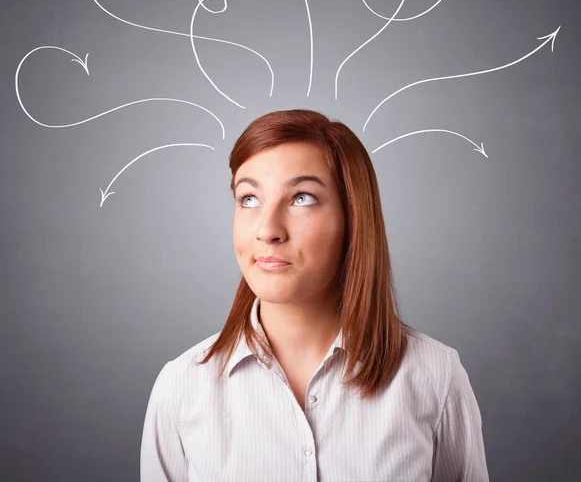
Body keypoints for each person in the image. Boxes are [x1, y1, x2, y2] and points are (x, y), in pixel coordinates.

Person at [140, 108, 489, 481]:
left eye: (302, 198)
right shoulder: (181, 388)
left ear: (353, 218)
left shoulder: (435, 376)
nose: (268, 230)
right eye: (249, 198)